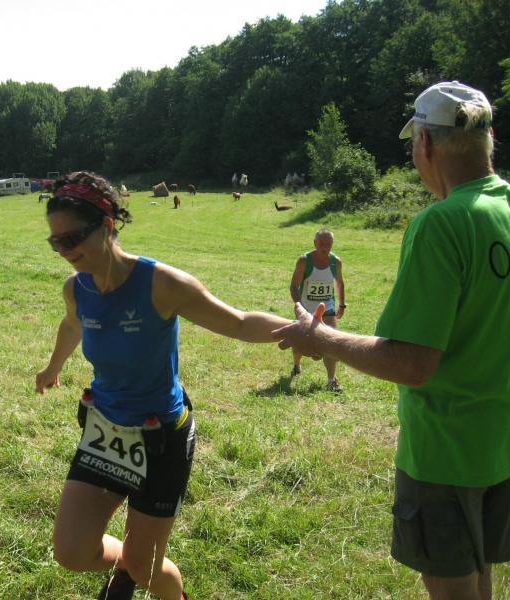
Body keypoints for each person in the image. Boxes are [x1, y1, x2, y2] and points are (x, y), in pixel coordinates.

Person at [273, 81, 510, 599]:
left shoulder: (442, 224)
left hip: (445, 452)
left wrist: (323, 338)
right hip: (500, 446)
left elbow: (411, 363)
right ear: (488, 138)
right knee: (481, 576)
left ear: (424, 143)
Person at [36, 171, 290, 600]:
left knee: (146, 566)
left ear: (107, 225)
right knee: (72, 551)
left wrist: (305, 333)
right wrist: (52, 367)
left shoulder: (161, 284)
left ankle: (144, 573)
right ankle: (126, 563)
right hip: (105, 431)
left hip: (161, 437)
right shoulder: (76, 289)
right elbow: (72, 325)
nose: (63, 250)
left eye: (72, 238)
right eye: (55, 242)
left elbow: (240, 322)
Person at [288, 228, 346, 392]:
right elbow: (293, 286)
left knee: (331, 342)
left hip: (327, 309)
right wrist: (299, 306)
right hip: (306, 309)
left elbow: (340, 283)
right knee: (299, 344)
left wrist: (342, 305)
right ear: (315, 243)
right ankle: (296, 365)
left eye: (328, 244)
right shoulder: (304, 261)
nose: (325, 247)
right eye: (321, 243)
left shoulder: (336, 262)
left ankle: (331, 380)